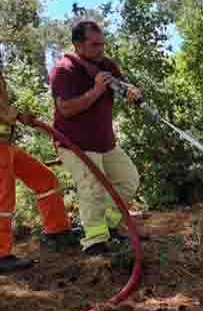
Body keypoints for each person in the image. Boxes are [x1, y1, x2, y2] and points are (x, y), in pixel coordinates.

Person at [0, 9, 79, 274]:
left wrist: (16, 118)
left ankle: (57, 232)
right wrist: (16, 115)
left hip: (2, 141)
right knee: (1, 197)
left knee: (45, 179)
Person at [49, 20, 144, 255]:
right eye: (94, 45)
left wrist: (132, 92)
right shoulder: (64, 70)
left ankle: (108, 226)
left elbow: (123, 87)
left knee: (128, 180)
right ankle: (95, 243)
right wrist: (96, 91)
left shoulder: (106, 65)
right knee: (91, 187)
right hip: (75, 143)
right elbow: (66, 109)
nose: (100, 50)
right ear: (78, 45)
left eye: (102, 44)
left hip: (104, 142)